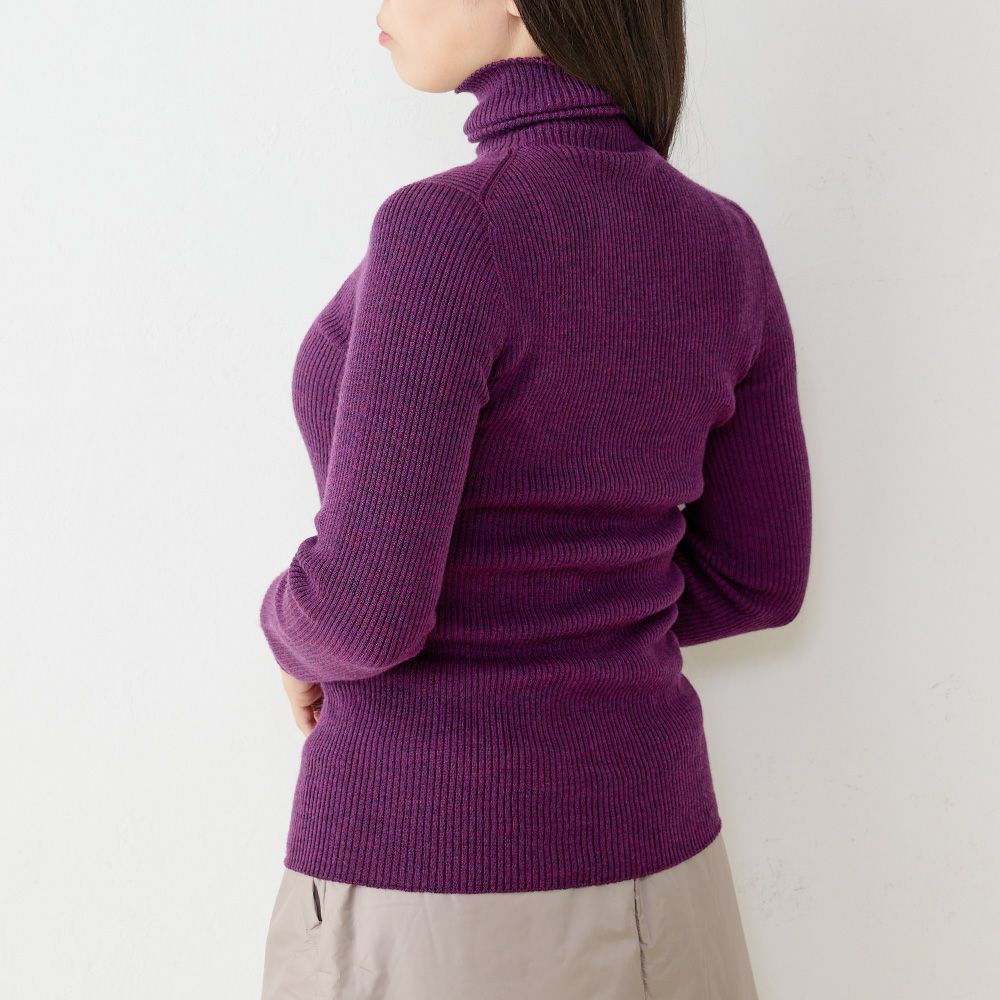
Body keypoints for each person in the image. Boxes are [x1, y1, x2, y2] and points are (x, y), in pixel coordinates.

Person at [258, 1, 812, 997]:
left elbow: (363, 613)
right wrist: (583, 611)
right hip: (663, 870)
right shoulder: (722, 241)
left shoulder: (448, 229)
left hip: (436, 878)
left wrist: (293, 633)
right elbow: (757, 578)